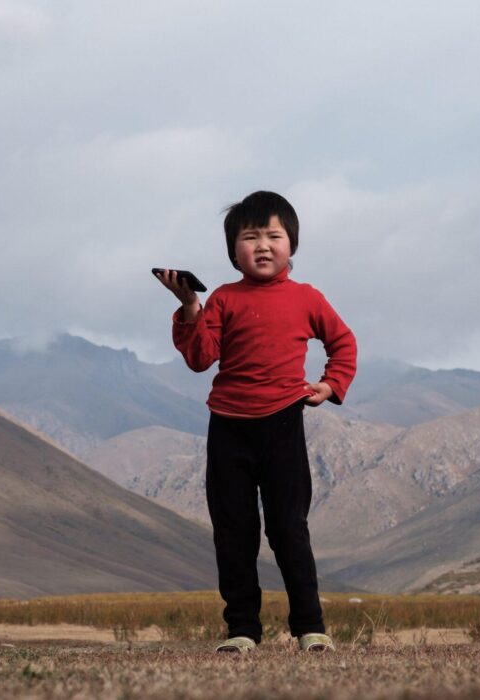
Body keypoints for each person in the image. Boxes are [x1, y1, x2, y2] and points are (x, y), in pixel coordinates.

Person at [154, 190, 357, 653]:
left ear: (292, 245)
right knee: (234, 532)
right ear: (233, 252)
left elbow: (343, 343)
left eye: (273, 236)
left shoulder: (307, 298)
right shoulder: (222, 299)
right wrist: (190, 308)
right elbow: (201, 359)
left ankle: (310, 628)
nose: (263, 245)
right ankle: (242, 631)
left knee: (288, 528)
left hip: (283, 423)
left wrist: (330, 385)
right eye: (250, 237)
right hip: (227, 428)